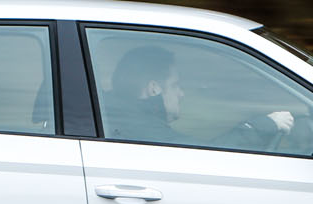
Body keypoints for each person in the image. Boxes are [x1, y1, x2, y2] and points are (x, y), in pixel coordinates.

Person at [102, 45, 296, 150]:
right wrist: (265, 125)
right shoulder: (144, 131)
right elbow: (211, 156)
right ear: (154, 89)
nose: (182, 94)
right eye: (175, 85)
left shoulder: (122, 116)